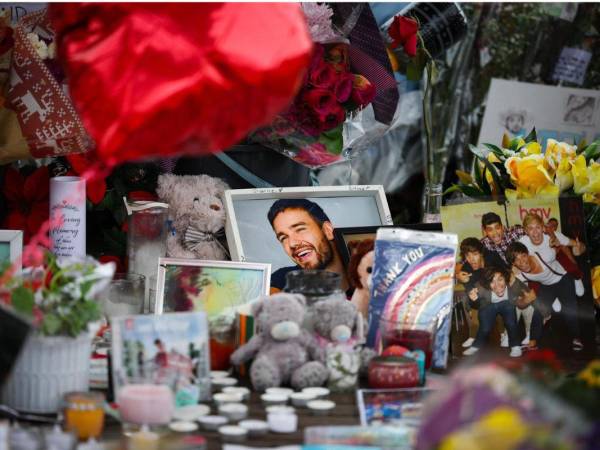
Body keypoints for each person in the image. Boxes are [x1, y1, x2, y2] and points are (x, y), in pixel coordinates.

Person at [506, 241, 583, 351]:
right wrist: (525, 298)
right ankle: (533, 341)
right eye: (516, 260)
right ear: (513, 264)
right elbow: (514, 295)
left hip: (563, 280)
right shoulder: (519, 274)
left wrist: (575, 268)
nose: (522, 262)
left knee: (569, 308)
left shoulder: (544, 255)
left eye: (523, 256)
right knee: (538, 311)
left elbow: (560, 247)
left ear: (527, 253)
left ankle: (577, 338)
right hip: (547, 286)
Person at [267, 198, 348, 293]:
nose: (292, 243)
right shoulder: (283, 279)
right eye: (283, 238)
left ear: (327, 230)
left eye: (300, 229)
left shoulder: (365, 269)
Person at [462, 267, 523, 358]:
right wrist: (471, 305)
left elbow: (527, 292)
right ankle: (476, 346)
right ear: (487, 283)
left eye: (500, 279)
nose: (497, 284)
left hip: (507, 303)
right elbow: (469, 300)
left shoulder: (513, 284)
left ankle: (516, 346)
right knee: (485, 327)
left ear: (506, 279)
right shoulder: (481, 287)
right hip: (488, 305)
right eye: (492, 281)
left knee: (511, 323)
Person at [520, 213, 586, 296]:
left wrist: (580, 248)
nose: (535, 232)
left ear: (543, 227)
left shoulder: (553, 236)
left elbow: (577, 244)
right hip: (537, 266)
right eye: (531, 228)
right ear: (526, 231)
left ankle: (577, 277)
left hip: (553, 257)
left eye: (538, 227)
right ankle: (551, 296)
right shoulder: (522, 243)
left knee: (564, 258)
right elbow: (515, 260)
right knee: (533, 285)